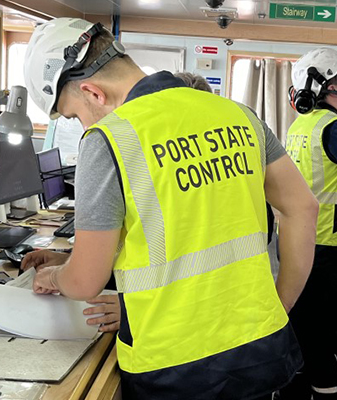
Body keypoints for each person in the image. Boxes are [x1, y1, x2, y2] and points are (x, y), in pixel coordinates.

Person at [22, 18, 319, 399]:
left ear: (92, 92)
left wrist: (56, 276)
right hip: (259, 349)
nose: (81, 126)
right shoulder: (240, 116)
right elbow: (303, 209)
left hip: (172, 367)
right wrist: (279, 305)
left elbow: (84, 281)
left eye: (73, 115)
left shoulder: (109, 139)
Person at [279, 47, 337, 400]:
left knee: (304, 325)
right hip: (328, 248)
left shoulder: (301, 126)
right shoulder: (333, 128)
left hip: (297, 243)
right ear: (315, 88)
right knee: (325, 335)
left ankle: (298, 386)